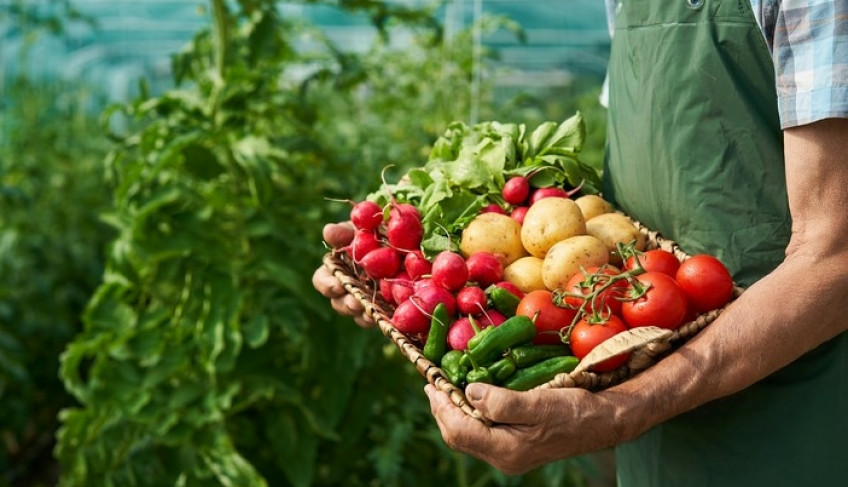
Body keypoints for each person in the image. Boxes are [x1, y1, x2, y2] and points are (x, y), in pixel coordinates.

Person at [313, 0, 848, 484]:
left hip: (789, 414)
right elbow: (665, 162)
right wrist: (398, 269)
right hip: (650, 393)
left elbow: (835, 259)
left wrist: (620, 411)